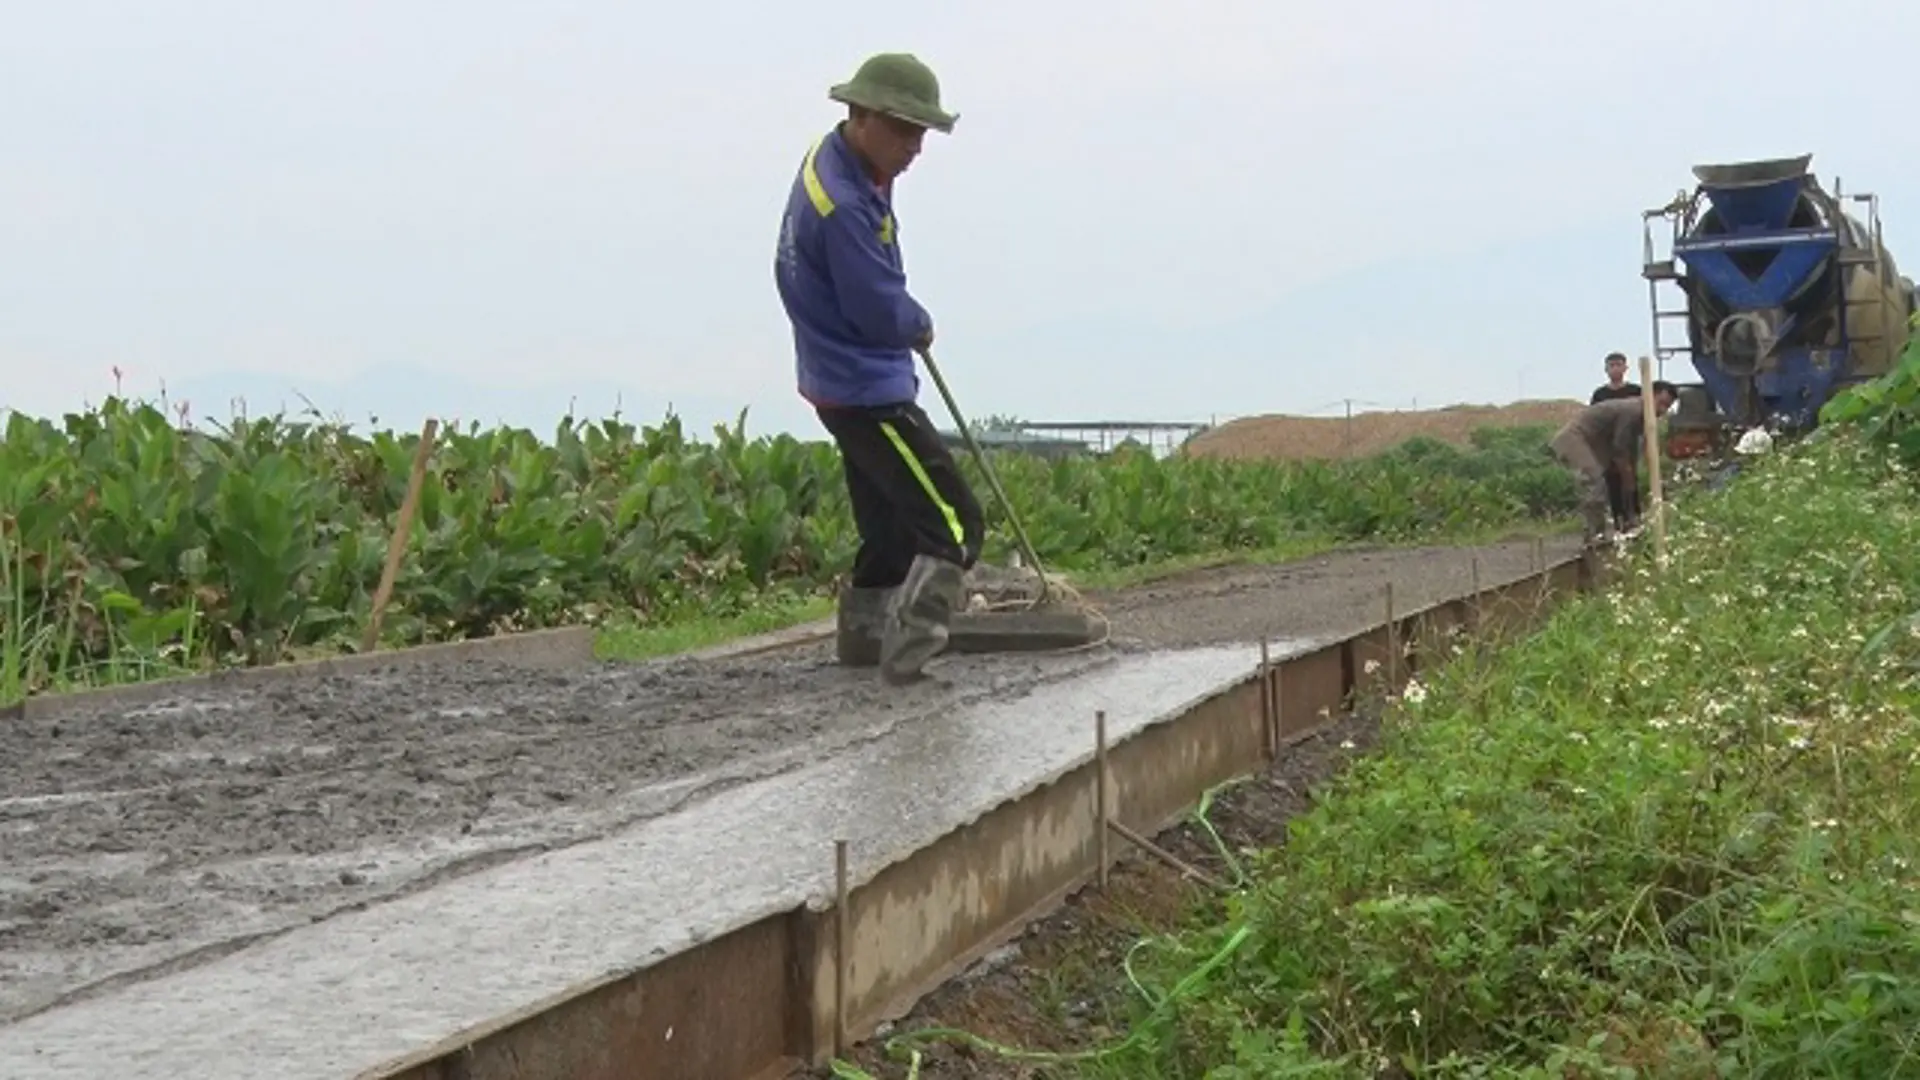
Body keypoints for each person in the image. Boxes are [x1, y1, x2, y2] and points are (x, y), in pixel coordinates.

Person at [773, 53, 986, 686]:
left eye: (921, 134)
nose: (914, 148)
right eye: (904, 131)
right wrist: (914, 320)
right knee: (952, 522)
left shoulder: (843, 160)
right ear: (860, 116)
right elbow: (875, 308)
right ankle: (912, 651)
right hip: (864, 386)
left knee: (890, 529)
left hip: (839, 377)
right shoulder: (841, 205)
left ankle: (864, 636)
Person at [1550, 381, 1677, 547]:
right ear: (1649, 396)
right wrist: (1628, 476)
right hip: (1575, 438)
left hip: (1595, 443)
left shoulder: (1643, 418)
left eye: (1667, 407)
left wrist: (1634, 477)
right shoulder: (1633, 410)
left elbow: (1630, 453)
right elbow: (1620, 450)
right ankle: (1594, 535)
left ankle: (1617, 526)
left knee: (1613, 477)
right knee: (1594, 480)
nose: (1662, 411)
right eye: (1661, 404)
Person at [1588, 352, 1643, 531]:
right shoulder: (1600, 394)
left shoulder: (1635, 391)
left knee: (1630, 477)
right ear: (1606, 369)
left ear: (1626, 368)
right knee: (1612, 479)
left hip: (1630, 442)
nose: (1615, 369)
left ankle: (1634, 516)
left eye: (1619, 365)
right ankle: (1618, 517)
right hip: (1608, 443)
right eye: (1612, 365)